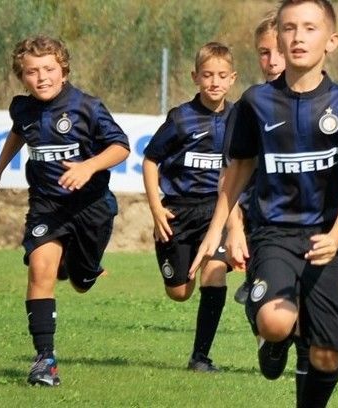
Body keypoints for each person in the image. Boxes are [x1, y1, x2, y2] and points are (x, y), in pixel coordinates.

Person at [189, 1, 338, 406]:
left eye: (309, 28)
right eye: (289, 28)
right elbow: (238, 168)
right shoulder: (255, 102)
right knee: (276, 321)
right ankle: (271, 338)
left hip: (328, 238)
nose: (298, 37)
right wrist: (218, 230)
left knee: (326, 356)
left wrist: (337, 236)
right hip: (274, 233)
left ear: (331, 40)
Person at [0, 35, 130, 386]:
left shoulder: (87, 107)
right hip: (46, 206)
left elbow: (120, 146)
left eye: (49, 69)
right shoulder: (22, 108)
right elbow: (19, 132)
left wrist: (88, 166)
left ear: (63, 71)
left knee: (81, 281)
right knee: (39, 270)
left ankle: (83, 267)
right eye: (32, 72)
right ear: (22, 76)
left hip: (91, 207)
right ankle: (45, 360)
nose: (41, 77)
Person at [141, 42, 237, 372]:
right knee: (180, 292)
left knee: (214, 274)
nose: (215, 82)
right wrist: (156, 208)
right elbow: (150, 160)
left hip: (216, 211)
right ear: (195, 77)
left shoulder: (238, 119)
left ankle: (200, 357)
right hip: (178, 212)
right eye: (208, 75)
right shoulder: (181, 119)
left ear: (232, 78)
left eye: (222, 75)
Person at [230, 10, 287, 305]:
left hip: (311, 221)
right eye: (264, 53)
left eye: (280, 51)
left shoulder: (327, 101)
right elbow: (231, 172)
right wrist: (234, 227)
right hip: (262, 220)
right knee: (269, 311)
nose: (272, 61)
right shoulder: (251, 104)